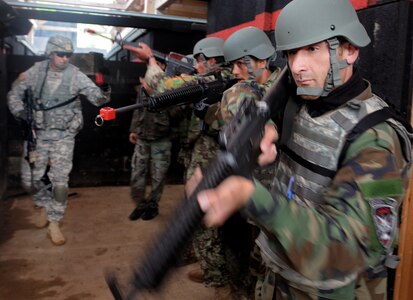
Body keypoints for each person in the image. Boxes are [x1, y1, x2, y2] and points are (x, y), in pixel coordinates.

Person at [189, 0, 413, 299]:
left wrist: (250, 196)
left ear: (349, 50)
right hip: (279, 276)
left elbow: (346, 252)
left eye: (312, 49)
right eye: (292, 52)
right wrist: (263, 124)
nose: (297, 66)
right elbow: (264, 103)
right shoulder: (304, 101)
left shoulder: (375, 140)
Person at [7, 35, 111, 246]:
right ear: (50, 53)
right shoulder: (36, 71)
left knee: (60, 183)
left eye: (68, 55)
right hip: (38, 135)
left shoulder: (75, 75)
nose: (65, 59)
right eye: (60, 54)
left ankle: (55, 221)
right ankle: (43, 206)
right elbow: (14, 95)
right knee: (30, 181)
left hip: (64, 136)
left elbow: (98, 99)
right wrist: (21, 114)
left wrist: (104, 86)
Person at [127, 77, 174, 221]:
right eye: (143, 80)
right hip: (142, 138)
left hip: (161, 139)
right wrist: (134, 130)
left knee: (158, 175)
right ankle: (140, 205)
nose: (143, 84)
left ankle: (153, 205)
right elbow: (137, 109)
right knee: (137, 174)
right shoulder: (141, 90)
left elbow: (176, 113)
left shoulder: (169, 89)